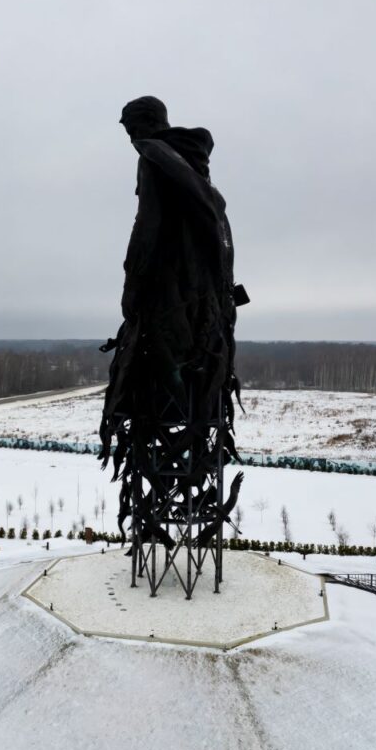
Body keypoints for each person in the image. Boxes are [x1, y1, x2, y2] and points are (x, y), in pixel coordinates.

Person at [99, 96, 246, 546]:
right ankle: (182, 488)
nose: (128, 136)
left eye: (130, 128)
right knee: (193, 407)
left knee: (151, 405)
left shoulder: (154, 159)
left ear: (143, 126)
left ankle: (163, 498)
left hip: (167, 312)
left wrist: (131, 297)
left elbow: (147, 231)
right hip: (204, 316)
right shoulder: (195, 166)